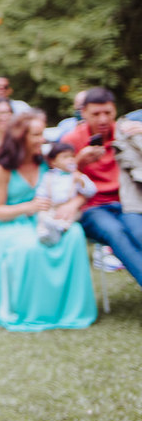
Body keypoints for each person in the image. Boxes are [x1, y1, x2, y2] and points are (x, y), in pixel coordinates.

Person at [0, 114, 97, 330]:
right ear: (20, 137)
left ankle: (69, 310)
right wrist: (28, 207)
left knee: (74, 234)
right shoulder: (3, 169)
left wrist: (74, 204)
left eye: (42, 134)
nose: (42, 140)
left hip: (46, 219)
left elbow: (77, 182)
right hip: (11, 224)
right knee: (30, 246)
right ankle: (36, 311)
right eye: (36, 135)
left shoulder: (47, 162)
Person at [62, 87, 142, 286]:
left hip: (127, 202)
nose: (103, 119)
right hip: (92, 207)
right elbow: (58, 181)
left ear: (114, 110)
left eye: (107, 112)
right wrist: (79, 162)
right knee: (116, 232)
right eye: (96, 114)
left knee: (138, 232)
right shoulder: (71, 141)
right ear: (83, 113)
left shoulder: (125, 133)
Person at [35, 143, 97, 246]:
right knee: (43, 216)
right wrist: (41, 200)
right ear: (53, 162)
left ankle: (59, 229)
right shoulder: (48, 176)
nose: (70, 160)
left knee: (68, 218)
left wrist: (81, 181)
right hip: (52, 206)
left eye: (72, 156)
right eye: (65, 157)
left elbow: (91, 191)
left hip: (69, 208)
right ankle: (45, 233)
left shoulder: (76, 176)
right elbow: (42, 192)